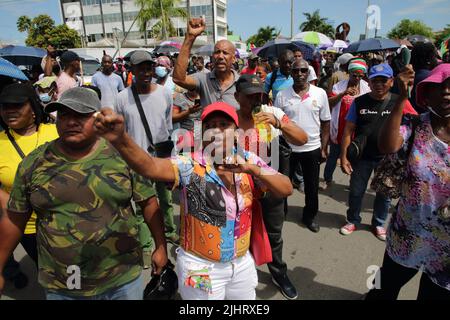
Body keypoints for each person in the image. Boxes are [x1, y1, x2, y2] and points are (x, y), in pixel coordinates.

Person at [93, 102, 293, 300]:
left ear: (237, 132)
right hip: (199, 268)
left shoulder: (249, 161)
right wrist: (121, 140)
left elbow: (286, 188)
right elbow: (150, 167)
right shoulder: (189, 164)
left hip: (240, 266)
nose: (217, 131)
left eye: (224, 124)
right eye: (211, 126)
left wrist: (254, 170)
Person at [0, 87, 168, 300]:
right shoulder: (33, 164)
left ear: (97, 119)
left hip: (122, 279)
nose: (71, 122)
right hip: (63, 285)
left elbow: (149, 203)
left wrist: (160, 247)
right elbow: (15, 219)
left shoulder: (125, 156)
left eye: (80, 115)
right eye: (64, 115)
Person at [366, 63, 450, 300]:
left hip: (446, 247)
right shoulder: (415, 125)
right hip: (408, 231)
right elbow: (387, 146)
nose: (446, 92)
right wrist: (401, 98)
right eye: (438, 87)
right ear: (426, 94)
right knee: (383, 287)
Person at [235, 74, 307, 300]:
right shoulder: (228, 117)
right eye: (250, 96)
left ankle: (279, 273)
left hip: (269, 184)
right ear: (237, 97)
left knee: (274, 233)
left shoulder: (272, 113)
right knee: (239, 235)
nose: (256, 101)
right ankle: (239, 278)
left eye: (260, 95)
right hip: (239, 189)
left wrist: (278, 123)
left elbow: (302, 138)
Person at [339, 64, 418, 241]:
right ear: (369, 81)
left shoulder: (400, 101)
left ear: (391, 82)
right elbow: (347, 131)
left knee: (385, 194)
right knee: (356, 191)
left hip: (388, 160)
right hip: (362, 158)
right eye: (375, 80)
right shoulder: (359, 102)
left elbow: (416, 122)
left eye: (384, 80)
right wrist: (343, 157)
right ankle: (352, 220)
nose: (379, 84)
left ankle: (379, 223)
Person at [114, 51, 178, 259]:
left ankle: (170, 232)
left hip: (161, 158)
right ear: (131, 70)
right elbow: (120, 132)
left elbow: (167, 126)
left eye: (148, 67)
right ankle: (146, 244)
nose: (145, 72)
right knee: (143, 207)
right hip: (137, 162)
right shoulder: (122, 98)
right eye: (140, 68)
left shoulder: (164, 93)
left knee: (166, 200)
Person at [0, 83, 58, 291]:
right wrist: (6, 199)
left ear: (33, 108)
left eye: (17, 105)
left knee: (75, 275)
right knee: (49, 276)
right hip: (28, 227)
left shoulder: (56, 132)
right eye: (5, 106)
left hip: (66, 221)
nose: (10, 111)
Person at [276, 59, 331, 233]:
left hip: (312, 148)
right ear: (291, 73)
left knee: (312, 187)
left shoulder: (320, 93)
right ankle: (281, 213)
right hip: (288, 149)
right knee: (283, 185)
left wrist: (324, 147)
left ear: (309, 73)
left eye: (303, 70)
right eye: (296, 71)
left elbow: (326, 122)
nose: (299, 74)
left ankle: (309, 216)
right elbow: (276, 123)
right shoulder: (282, 95)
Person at [321, 58, 371, 191]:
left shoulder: (367, 88)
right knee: (333, 157)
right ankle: (327, 179)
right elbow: (329, 103)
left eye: (361, 76)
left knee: (355, 157)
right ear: (349, 73)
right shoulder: (339, 87)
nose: (357, 78)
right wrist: (344, 94)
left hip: (356, 131)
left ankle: (353, 182)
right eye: (355, 75)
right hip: (340, 129)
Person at [173, 18, 240, 109]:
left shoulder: (241, 83)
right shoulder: (203, 79)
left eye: (225, 53)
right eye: (217, 52)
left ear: (233, 59)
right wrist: (190, 37)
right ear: (212, 56)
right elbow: (178, 79)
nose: (220, 56)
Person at [410, 43, 440, 113]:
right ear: (428, 60)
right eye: (435, 57)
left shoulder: (415, 75)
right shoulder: (429, 78)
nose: (438, 60)